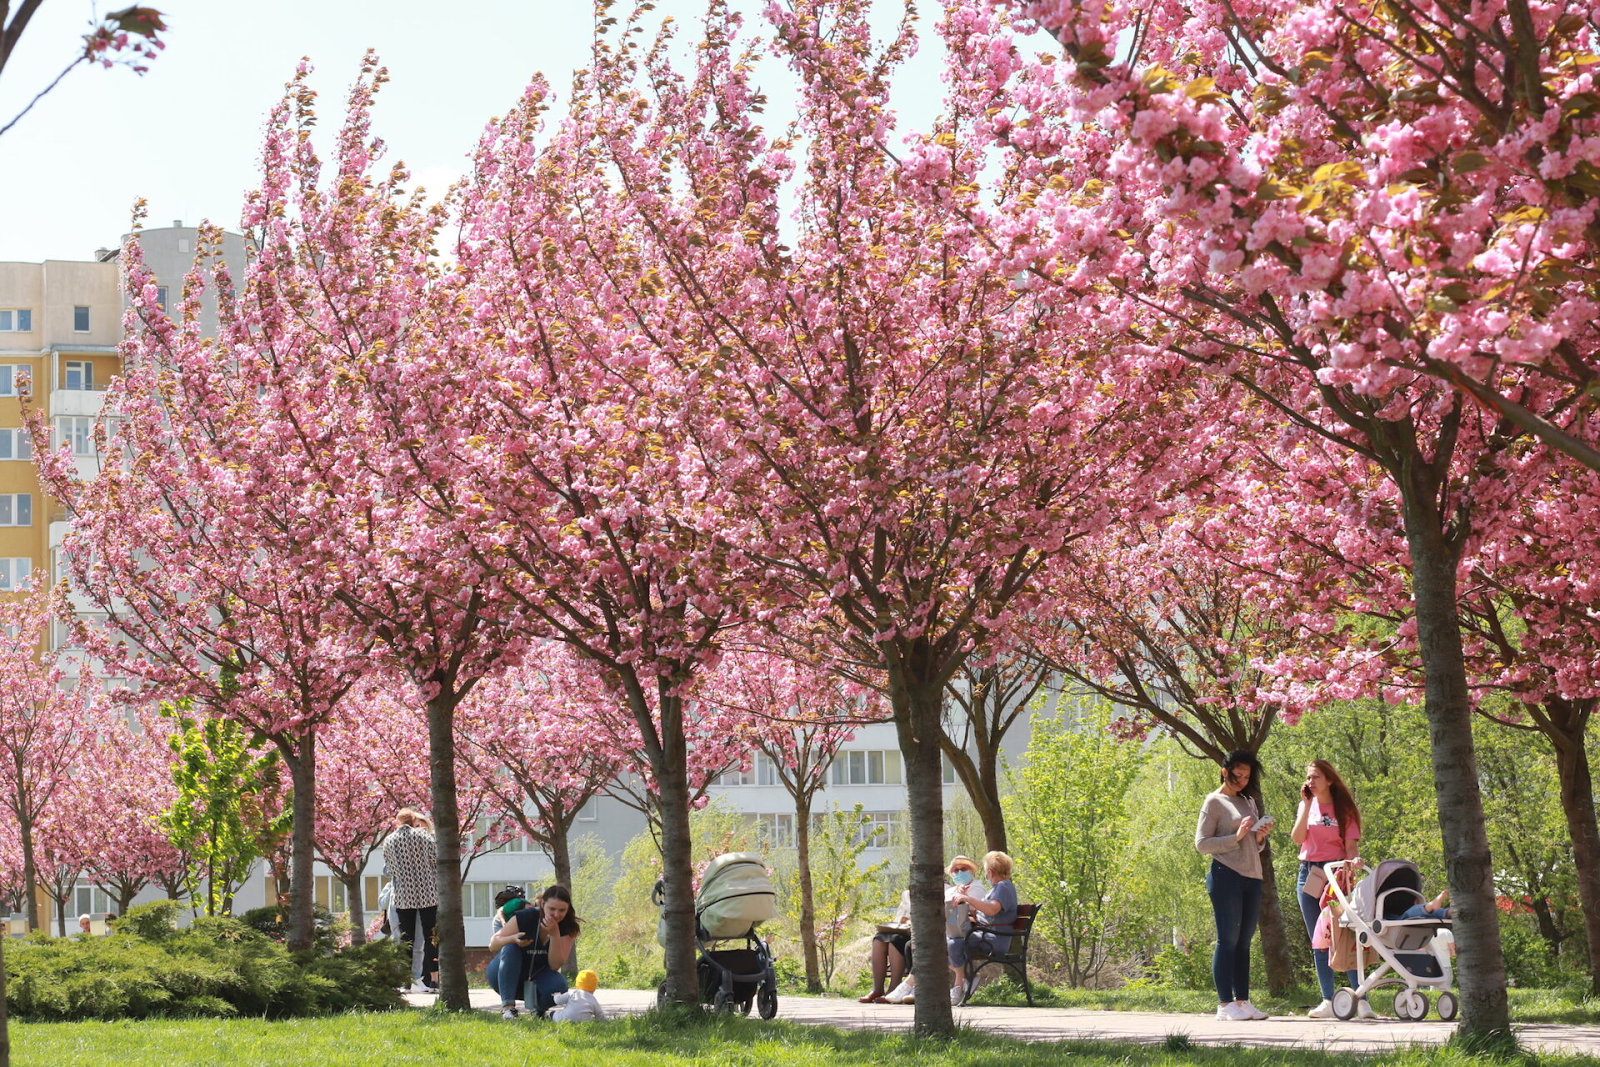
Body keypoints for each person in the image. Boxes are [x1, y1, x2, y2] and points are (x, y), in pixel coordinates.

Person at [1290, 759, 1375, 1020]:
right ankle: (1327, 999)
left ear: (1329, 780)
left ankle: (1360, 1000)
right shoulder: (1307, 805)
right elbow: (1297, 838)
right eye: (1308, 777)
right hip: (1310, 874)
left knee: (1348, 936)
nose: (1311, 782)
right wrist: (1305, 806)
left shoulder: (1344, 809)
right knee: (1320, 940)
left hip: (1337, 874)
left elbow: (1351, 847)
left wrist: (1355, 860)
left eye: (1315, 777)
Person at [1196, 749, 1271, 1022]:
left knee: (1244, 942)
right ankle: (1224, 1004)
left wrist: (1259, 837)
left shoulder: (1248, 800)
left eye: (1247, 776)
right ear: (1224, 771)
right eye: (1237, 775)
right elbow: (1202, 844)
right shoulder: (1214, 801)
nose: (1241, 780)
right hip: (1225, 874)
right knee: (1227, 939)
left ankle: (1243, 1001)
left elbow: (1255, 846)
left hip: (1252, 875)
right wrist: (1236, 836)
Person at [882, 856, 979, 1004]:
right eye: (955, 870)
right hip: (948, 930)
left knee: (931, 945)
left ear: (972, 870)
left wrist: (964, 898)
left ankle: (909, 984)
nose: (959, 873)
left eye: (963, 869)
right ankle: (916, 986)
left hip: (964, 933)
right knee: (912, 945)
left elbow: (974, 913)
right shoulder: (952, 890)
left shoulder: (977, 888)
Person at [487, 884, 582, 1019]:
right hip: (503, 976)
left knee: (559, 986)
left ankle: (538, 1009)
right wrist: (512, 938)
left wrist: (555, 935)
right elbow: (493, 945)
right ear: (543, 904)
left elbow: (555, 965)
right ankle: (508, 1009)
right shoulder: (525, 917)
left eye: (562, 910)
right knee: (510, 948)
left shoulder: (568, 927)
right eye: (552, 909)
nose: (556, 914)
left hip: (537, 977)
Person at [948, 851, 1019, 1006]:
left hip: (994, 939)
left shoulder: (1003, 887)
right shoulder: (998, 888)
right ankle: (965, 979)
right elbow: (985, 911)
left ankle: (961, 982)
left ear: (991, 872)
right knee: (948, 941)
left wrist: (968, 898)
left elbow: (993, 909)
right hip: (986, 935)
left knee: (953, 943)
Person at [381, 807, 439, 993]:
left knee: (407, 939)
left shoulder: (389, 840)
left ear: (398, 822)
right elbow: (435, 860)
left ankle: (405, 981)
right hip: (428, 893)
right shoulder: (425, 837)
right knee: (430, 937)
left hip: (403, 896)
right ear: (413, 820)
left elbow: (389, 869)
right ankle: (430, 979)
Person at [861, 889, 911, 1003]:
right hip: (904, 929)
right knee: (879, 939)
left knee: (895, 941)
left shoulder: (944, 889)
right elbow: (899, 916)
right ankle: (877, 989)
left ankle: (894, 988)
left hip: (921, 932)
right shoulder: (907, 893)